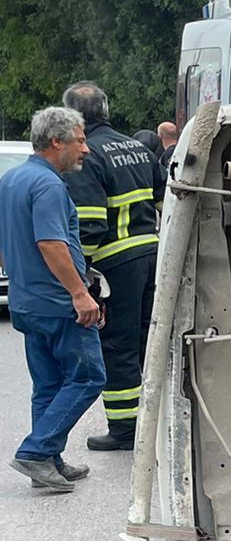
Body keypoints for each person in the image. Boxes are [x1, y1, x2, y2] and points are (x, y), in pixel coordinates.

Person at [0, 106, 105, 492]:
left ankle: (47, 462)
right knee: (89, 377)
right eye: (80, 141)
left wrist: (19, 276)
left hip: (27, 301)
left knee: (48, 384)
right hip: (58, 303)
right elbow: (50, 243)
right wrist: (80, 293)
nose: (86, 149)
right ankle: (36, 451)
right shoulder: (48, 185)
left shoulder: (11, 180)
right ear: (56, 142)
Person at [59, 82, 164, 451]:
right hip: (153, 256)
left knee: (118, 345)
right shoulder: (136, 147)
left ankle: (124, 428)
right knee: (147, 341)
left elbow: (89, 223)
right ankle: (156, 420)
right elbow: (166, 200)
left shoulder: (87, 156)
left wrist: (80, 272)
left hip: (116, 263)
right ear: (105, 110)